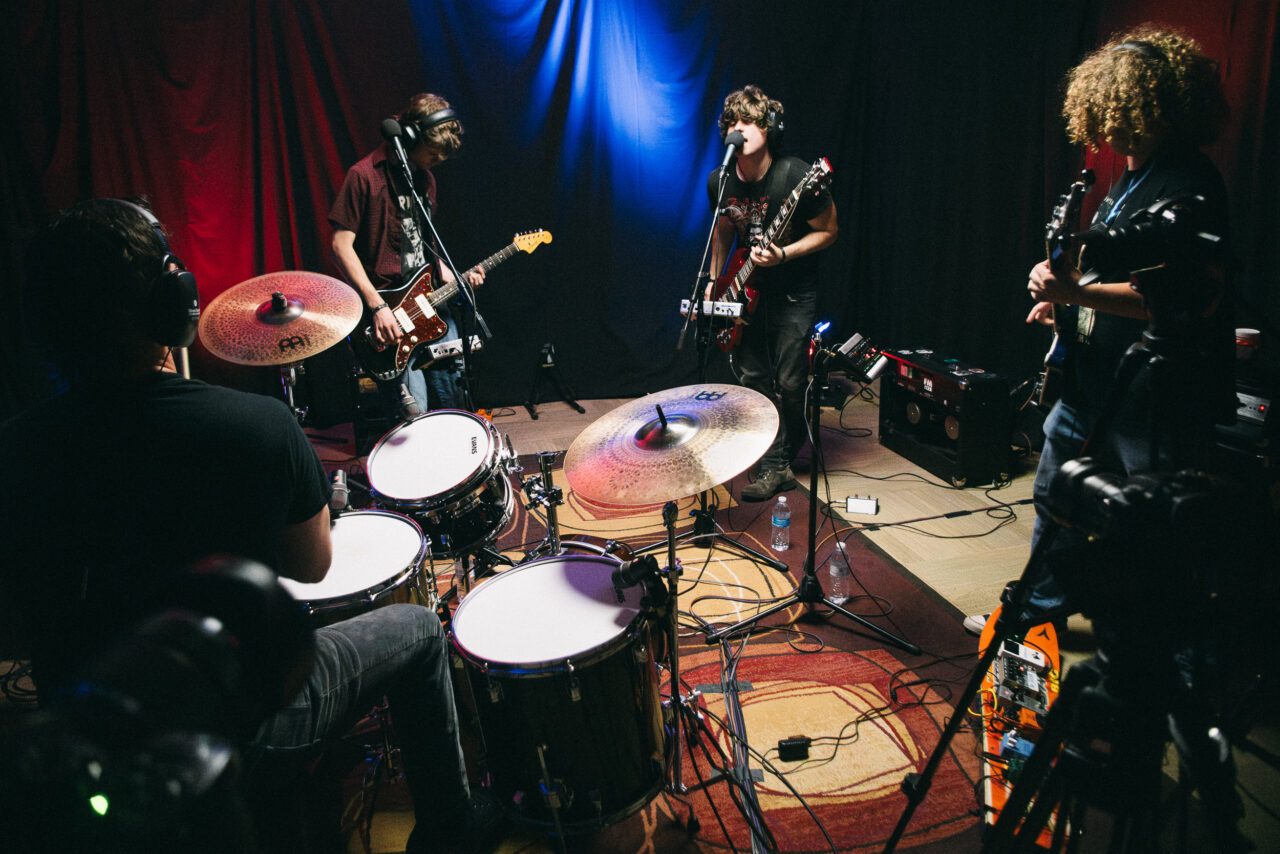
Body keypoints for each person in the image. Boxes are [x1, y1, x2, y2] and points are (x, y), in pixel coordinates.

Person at [0, 198, 493, 853]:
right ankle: (449, 831)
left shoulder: (15, 450)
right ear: (174, 305)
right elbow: (312, 565)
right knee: (417, 629)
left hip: (86, 733)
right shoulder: (254, 428)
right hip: (248, 723)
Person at [965, 25, 1234, 636]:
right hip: (1092, 382)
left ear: (1147, 105)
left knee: (1145, 529)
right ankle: (1037, 619)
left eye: (1113, 109)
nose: (1103, 127)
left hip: (1152, 400)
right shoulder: (1128, 179)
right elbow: (1108, 274)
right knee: (1053, 502)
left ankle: (1155, 653)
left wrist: (1073, 291)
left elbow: (1181, 298)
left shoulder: (1189, 184)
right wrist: (1065, 305)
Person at [706, 85, 837, 501]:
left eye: (746, 122)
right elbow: (725, 226)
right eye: (730, 123)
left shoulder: (796, 175)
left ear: (769, 129)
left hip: (793, 292)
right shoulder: (720, 180)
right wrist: (716, 279)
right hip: (746, 291)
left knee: (791, 381)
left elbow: (829, 231)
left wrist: (784, 254)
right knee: (752, 378)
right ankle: (771, 461)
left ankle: (782, 459)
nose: (736, 129)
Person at [330, 92, 485, 418]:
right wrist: (377, 307)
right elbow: (340, 246)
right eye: (432, 153)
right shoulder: (364, 176)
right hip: (389, 311)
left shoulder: (424, 180)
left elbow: (421, 247)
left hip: (432, 307)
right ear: (410, 137)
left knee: (454, 401)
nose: (437, 162)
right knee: (414, 417)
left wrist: (455, 275)